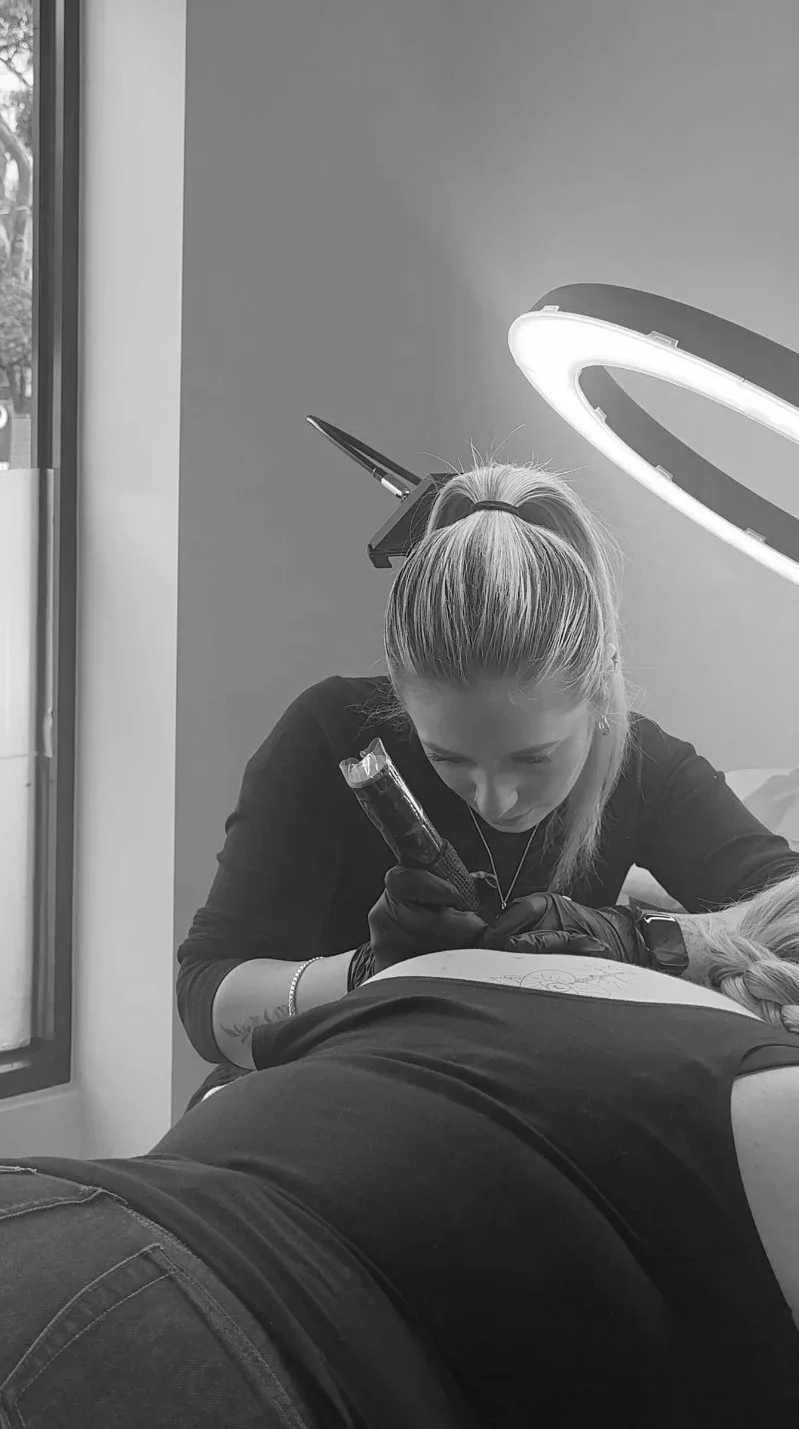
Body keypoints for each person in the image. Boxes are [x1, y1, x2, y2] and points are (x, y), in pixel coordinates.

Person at [2, 874, 799, 1429]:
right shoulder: (769, 1091)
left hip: (58, 1210)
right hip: (219, 1356)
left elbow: (218, 1110)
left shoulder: (458, 967)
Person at [176, 455, 797, 1105]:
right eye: (448, 758)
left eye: (532, 759)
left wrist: (641, 941)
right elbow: (206, 1003)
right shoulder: (330, 734)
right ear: (401, 695)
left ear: (598, 691)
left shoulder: (640, 762)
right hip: (324, 1096)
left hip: (518, 1116)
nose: (494, 797)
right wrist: (365, 974)